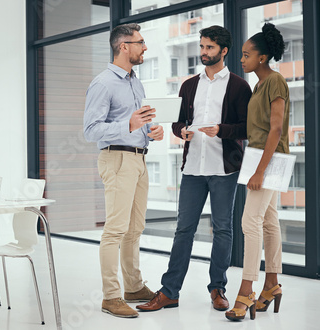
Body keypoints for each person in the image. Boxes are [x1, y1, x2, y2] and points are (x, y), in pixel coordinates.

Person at [136, 26, 252, 313]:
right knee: (183, 230)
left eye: (210, 48)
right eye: (202, 47)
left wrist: (221, 130)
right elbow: (177, 122)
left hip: (224, 169)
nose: (203, 52)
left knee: (223, 229)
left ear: (224, 51)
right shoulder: (189, 85)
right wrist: (182, 131)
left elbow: (247, 127)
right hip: (192, 169)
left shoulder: (239, 86)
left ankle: (217, 288)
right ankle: (169, 292)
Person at [83, 23, 164, 318]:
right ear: (123, 46)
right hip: (116, 160)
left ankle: (133, 286)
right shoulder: (103, 83)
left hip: (138, 159)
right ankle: (111, 296)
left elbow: (137, 122)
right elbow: (90, 131)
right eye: (140, 42)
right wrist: (128, 125)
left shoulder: (135, 82)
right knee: (115, 230)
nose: (144, 47)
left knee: (134, 229)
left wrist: (151, 132)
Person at [225, 23, 288, 322]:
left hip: (269, 158)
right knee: (268, 222)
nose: (242, 59)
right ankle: (272, 284)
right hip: (258, 157)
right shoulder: (260, 85)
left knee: (249, 222)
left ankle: (246, 290)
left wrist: (260, 171)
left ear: (262, 58)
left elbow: (276, 128)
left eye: (247, 55)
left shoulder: (275, 81)